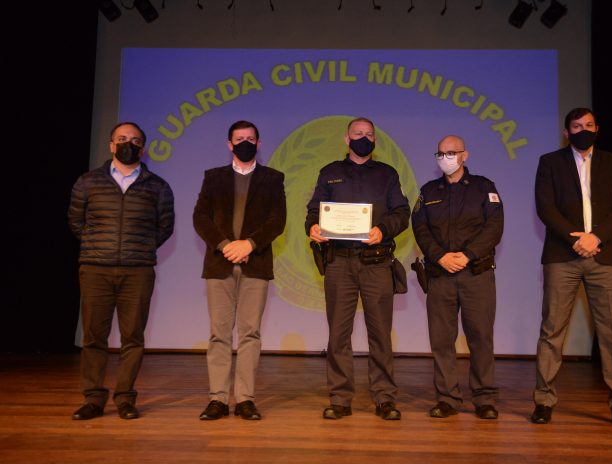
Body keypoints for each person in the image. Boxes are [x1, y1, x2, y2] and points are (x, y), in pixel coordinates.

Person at [531, 107, 612, 428]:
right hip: (562, 256)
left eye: (589, 125)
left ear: (597, 128)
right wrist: (574, 238)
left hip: (604, 257)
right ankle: (543, 401)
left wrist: (596, 237)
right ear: (567, 132)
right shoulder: (550, 162)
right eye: (577, 126)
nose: (583, 130)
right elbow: (545, 207)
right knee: (552, 331)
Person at [67, 122, 175, 420]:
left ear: (143, 148)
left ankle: (125, 398)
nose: (129, 144)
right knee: (94, 337)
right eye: (122, 139)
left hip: (138, 271)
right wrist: (97, 245)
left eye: (136, 140)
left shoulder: (158, 186)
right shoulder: (88, 182)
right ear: (111, 145)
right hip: (95, 269)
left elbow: (165, 226)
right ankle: (93, 398)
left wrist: (139, 248)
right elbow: (76, 222)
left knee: (133, 337)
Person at [305, 117, 410, 420]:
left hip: (376, 262)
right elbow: (314, 211)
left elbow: (401, 213)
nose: (363, 138)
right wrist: (312, 226)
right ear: (346, 139)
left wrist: (383, 230)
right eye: (357, 133)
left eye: (369, 134)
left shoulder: (387, 175)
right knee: (338, 334)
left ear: (375, 140)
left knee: (380, 333)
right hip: (338, 262)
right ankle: (340, 398)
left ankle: (385, 398)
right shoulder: (330, 173)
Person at [193, 120, 286, 421]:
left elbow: (277, 220)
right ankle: (218, 399)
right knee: (219, 334)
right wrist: (225, 245)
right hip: (219, 264)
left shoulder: (273, 178)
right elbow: (200, 217)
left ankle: (245, 398)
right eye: (238, 138)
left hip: (254, 263)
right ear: (229, 144)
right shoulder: (213, 177)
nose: (244, 142)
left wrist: (249, 244)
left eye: (250, 138)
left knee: (250, 334)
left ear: (258, 144)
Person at [411, 135, 504, 420]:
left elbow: (494, 227)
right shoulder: (428, 191)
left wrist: (468, 255)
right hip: (440, 275)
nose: (445, 158)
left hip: (476, 273)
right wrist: (440, 256)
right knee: (441, 340)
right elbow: (420, 227)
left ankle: (484, 398)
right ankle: (448, 398)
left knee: (481, 338)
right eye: (440, 153)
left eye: (451, 153)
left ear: (465, 155)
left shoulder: (483, 188)